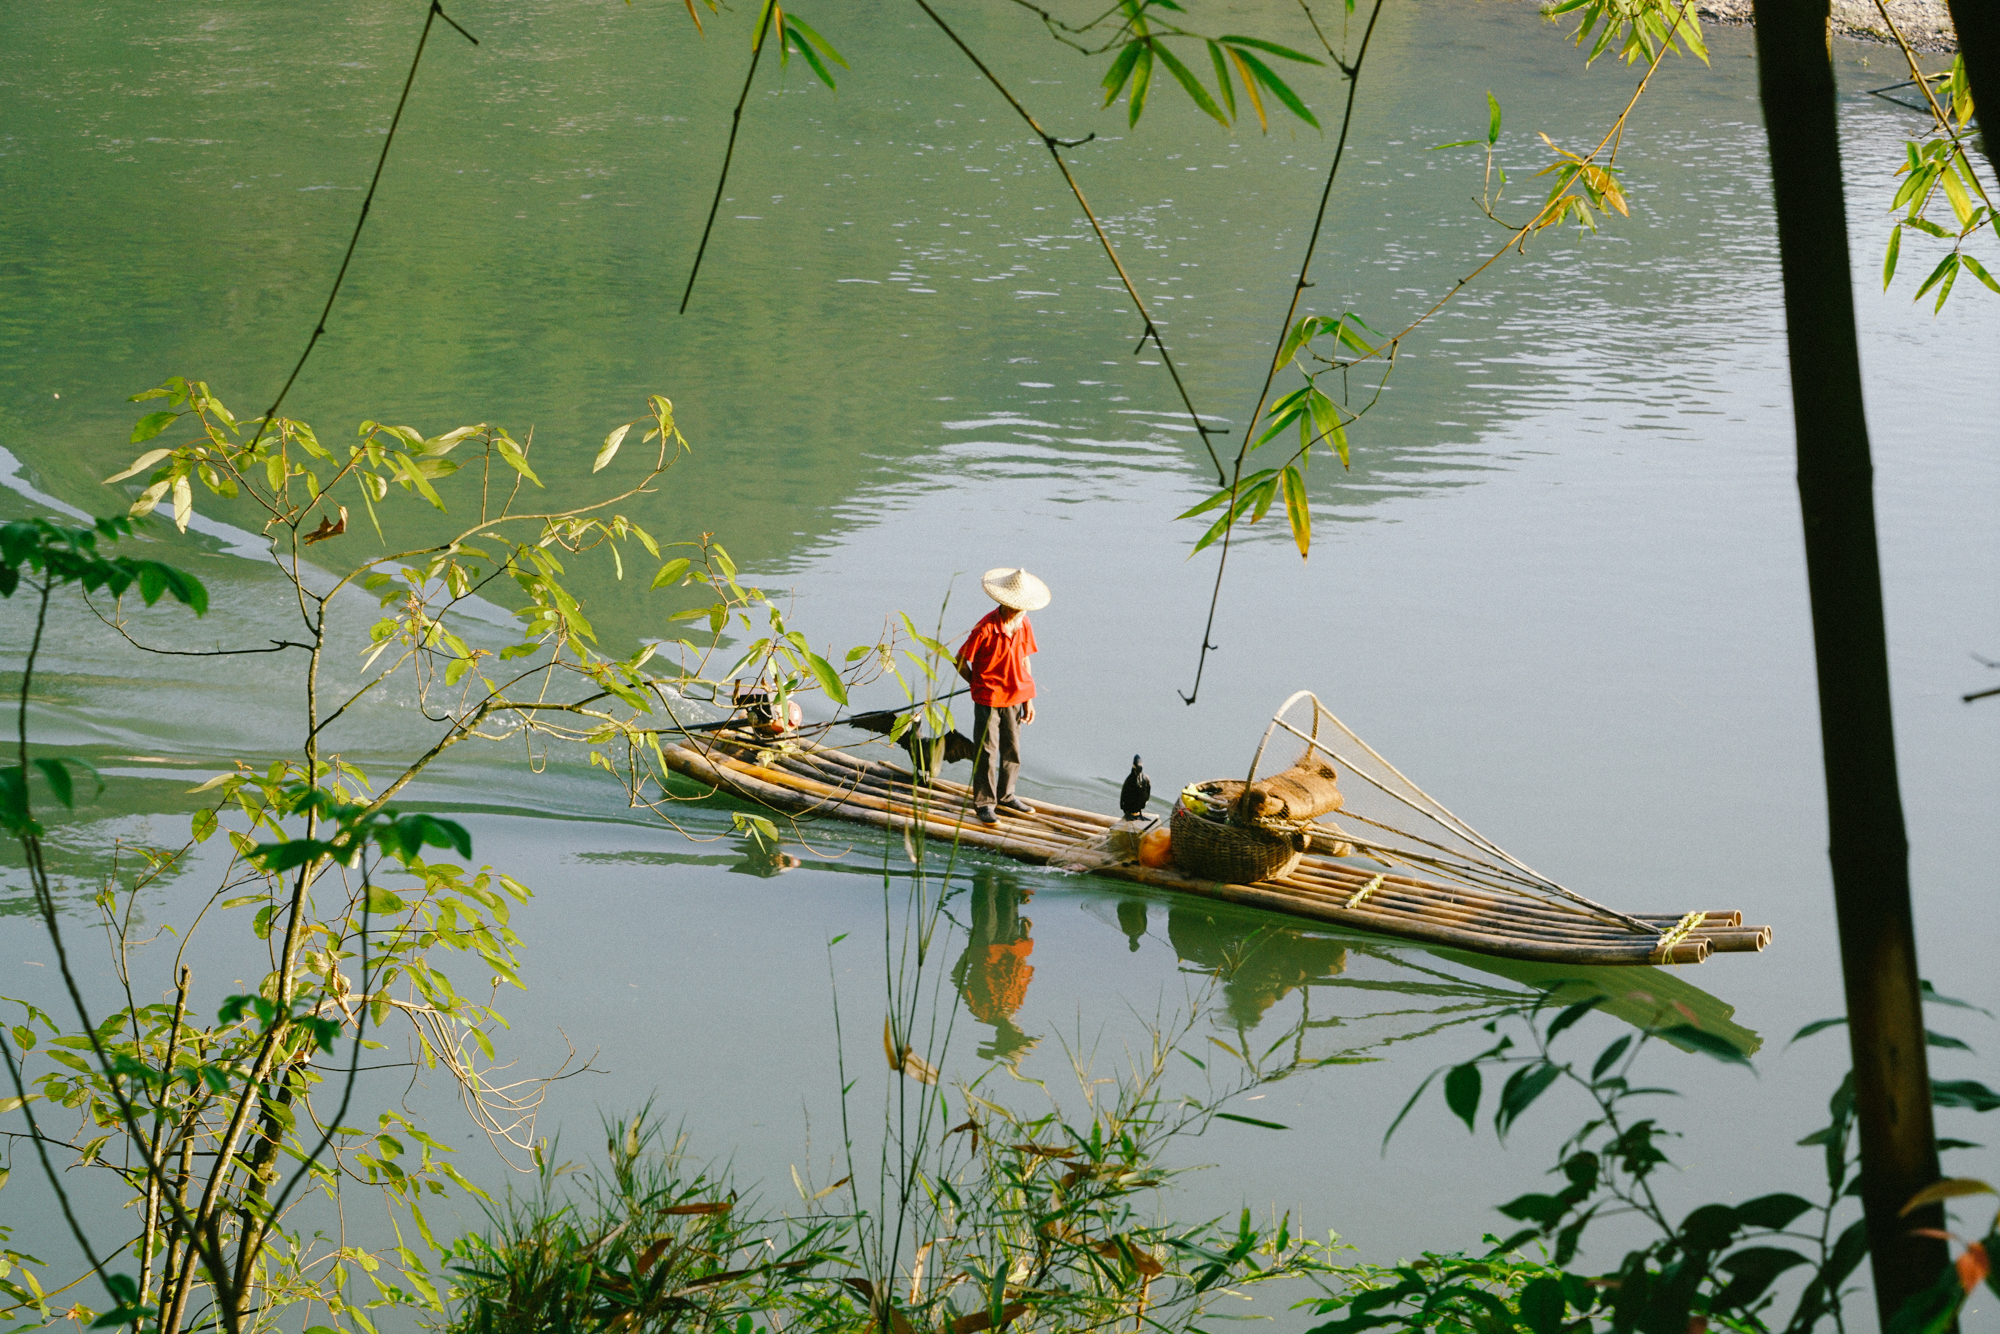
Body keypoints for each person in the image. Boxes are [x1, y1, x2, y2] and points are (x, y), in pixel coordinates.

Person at [955, 567, 1049, 824]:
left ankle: (1007, 795)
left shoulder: (1024, 624)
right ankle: (984, 803)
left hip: (1015, 696)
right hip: (988, 699)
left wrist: (1029, 698)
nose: (1020, 612)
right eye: (1016, 607)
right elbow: (960, 661)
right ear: (1004, 604)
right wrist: (977, 684)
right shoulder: (985, 628)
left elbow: (1025, 660)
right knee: (987, 750)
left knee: (1012, 748)